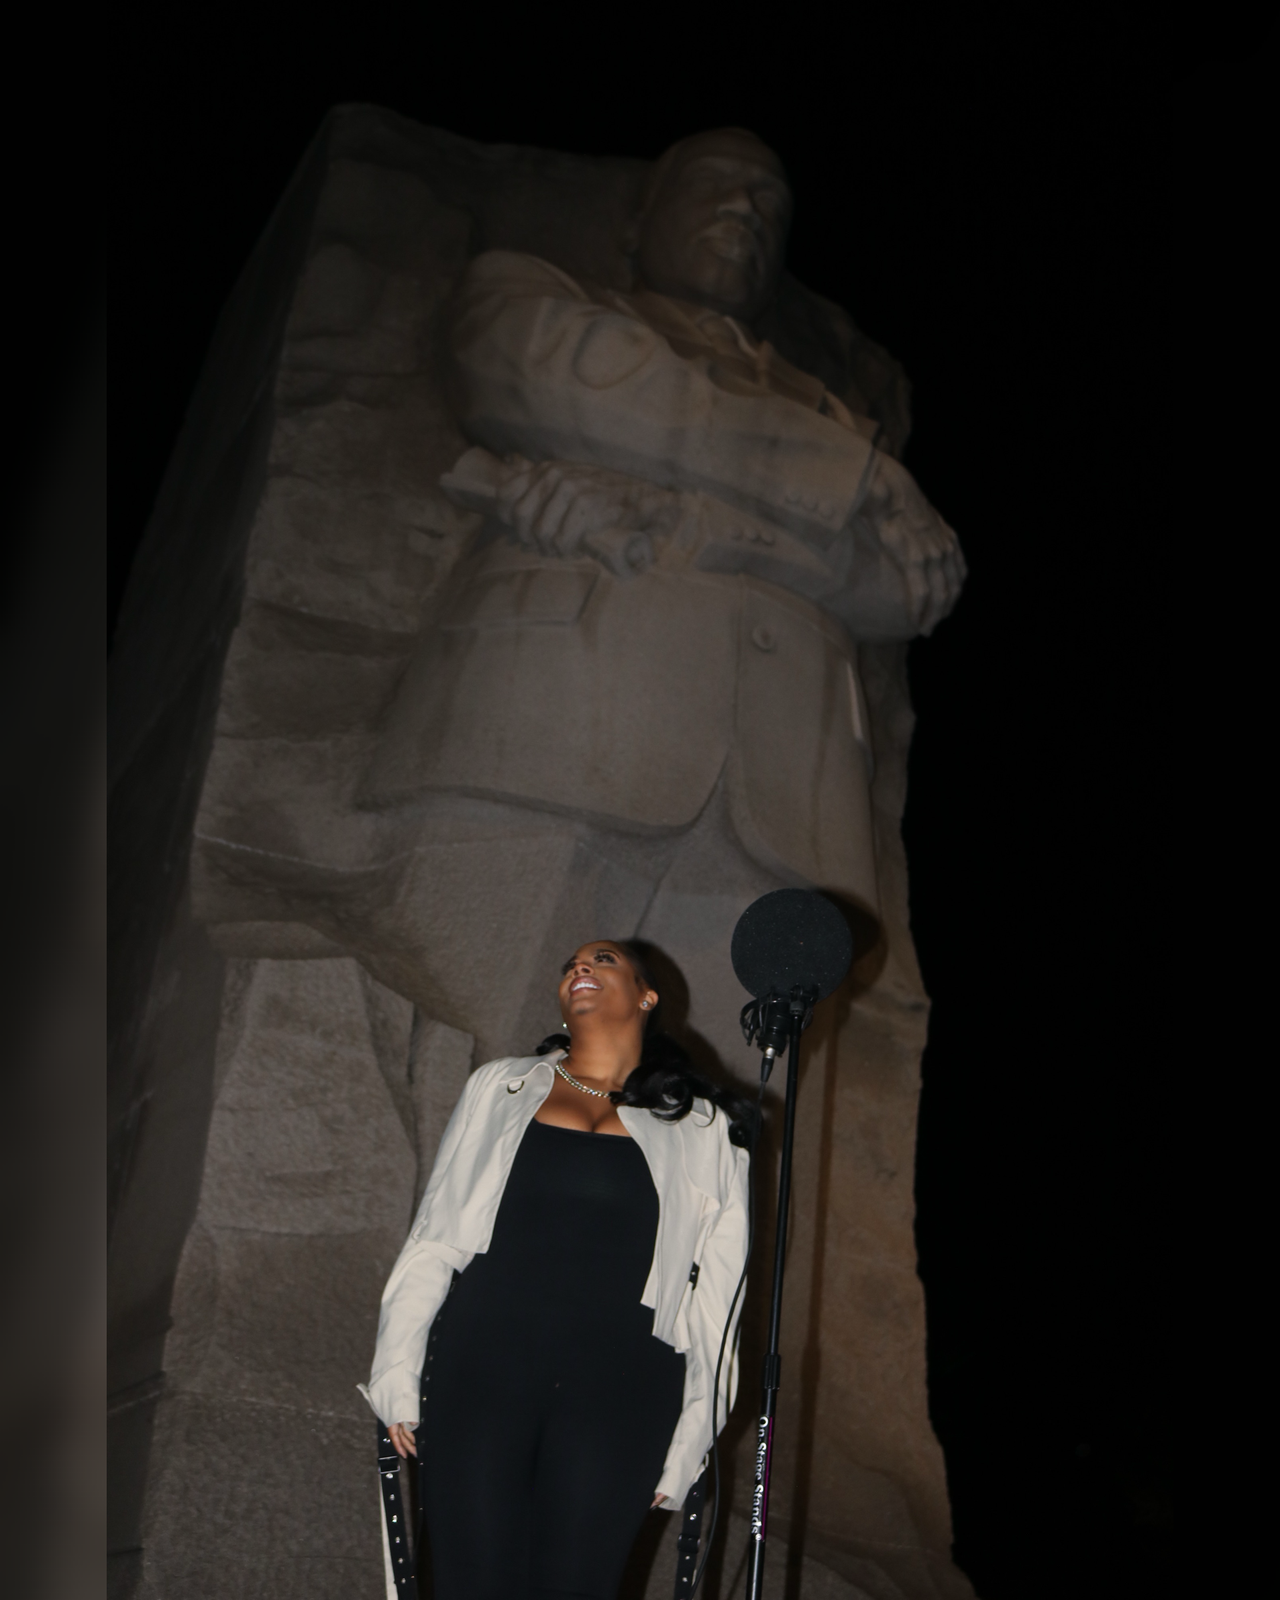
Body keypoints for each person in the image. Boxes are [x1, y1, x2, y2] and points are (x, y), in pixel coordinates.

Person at [361, 940, 754, 1600]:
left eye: (603, 960)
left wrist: (694, 1435)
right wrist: (396, 1369)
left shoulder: (705, 1126)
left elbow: (719, 1298)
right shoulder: (501, 1086)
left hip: (625, 1386)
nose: (580, 968)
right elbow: (435, 1235)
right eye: (571, 964)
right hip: (482, 1364)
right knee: (468, 1580)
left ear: (647, 995)